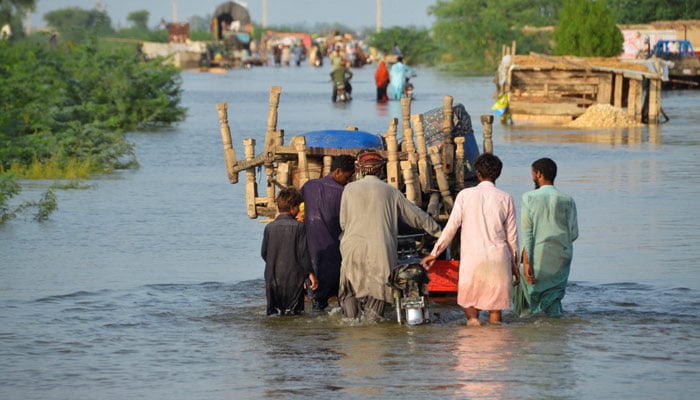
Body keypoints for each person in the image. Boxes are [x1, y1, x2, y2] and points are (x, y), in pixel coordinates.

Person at [338, 151, 442, 322]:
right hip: (380, 250)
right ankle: (373, 327)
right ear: (381, 171)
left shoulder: (349, 189)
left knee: (350, 290)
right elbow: (416, 216)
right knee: (377, 293)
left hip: (352, 248)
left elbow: (343, 223)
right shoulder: (390, 191)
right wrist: (439, 232)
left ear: (360, 170)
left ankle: (351, 323)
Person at [422, 153, 520, 326]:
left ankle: (473, 334)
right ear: (498, 174)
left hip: (473, 259)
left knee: (470, 305)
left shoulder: (465, 195)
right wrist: (514, 265)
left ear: (478, 173)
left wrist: (434, 253)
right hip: (498, 258)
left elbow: (451, 228)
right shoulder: (506, 198)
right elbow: (512, 237)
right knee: (495, 311)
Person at [513, 158, 578, 317]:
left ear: (539, 174)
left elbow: (528, 233)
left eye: (533, 174)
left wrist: (526, 262)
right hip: (562, 256)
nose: (532, 177)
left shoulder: (529, 197)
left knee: (529, 302)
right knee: (554, 299)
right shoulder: (567, 200)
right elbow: (574, 234)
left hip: (538, 255)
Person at [301, 155, 356, 311]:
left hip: (312, 256)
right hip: (334, 255)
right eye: (347, 176)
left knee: (317, 303)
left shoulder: (309, 186)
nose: (348, 180)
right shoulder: (344, 193)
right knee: (342, 299)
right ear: (338, 172)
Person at [261, 188, 318, 315]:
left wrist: (275, 263)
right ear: (292, 207)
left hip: (272, 277)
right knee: (294, 314)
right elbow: (303, 254)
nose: (298, 210)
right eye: (298, 206)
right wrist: (310, 274)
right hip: (293, 278)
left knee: (273, 314)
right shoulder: (299, 227)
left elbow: (264, 253)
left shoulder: (269, 227)